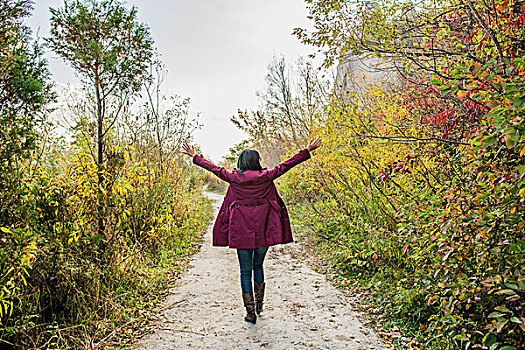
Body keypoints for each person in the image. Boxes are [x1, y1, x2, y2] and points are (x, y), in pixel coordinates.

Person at [182, 139, 322, 324]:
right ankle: (259, 304)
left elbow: (214, 169)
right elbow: (288, 164)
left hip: (241, 232)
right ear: (256, 162)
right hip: (264, 229)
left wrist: (195, 156)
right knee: (258, 267)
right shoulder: (267, 176)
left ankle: (250, 312)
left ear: (241, 162)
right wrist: (307, 150)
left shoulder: (234, 178)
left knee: (245, 271)